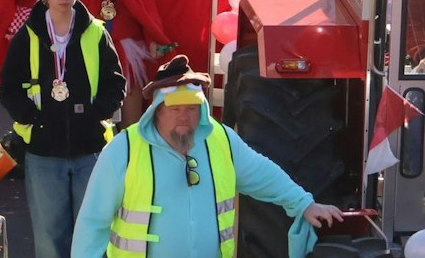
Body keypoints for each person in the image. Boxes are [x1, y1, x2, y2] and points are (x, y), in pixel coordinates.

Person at [73, 55, 343, 258]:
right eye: (175, 108)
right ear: (156, 110)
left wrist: (304, 204)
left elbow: (263, 175)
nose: (184, 116)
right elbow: (92, 222)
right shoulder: (125, 149)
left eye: (191, 109)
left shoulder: (221, 139)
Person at [0, 0, 124, 258]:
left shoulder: (95, 32)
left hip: (90, 149)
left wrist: (96, 114)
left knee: (93, 231)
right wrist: (32, 117)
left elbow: (115, 82)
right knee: (49, 234)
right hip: (43, 151)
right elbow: (8, 87)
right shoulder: (27, 35)